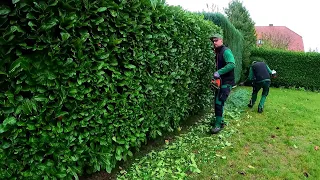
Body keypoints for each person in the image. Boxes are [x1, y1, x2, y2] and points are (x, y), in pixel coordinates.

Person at [210, 33, 236, 134]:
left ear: (221, 40)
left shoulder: (226, 51)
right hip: (220, 82)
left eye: (216, 40)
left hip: (227, 82)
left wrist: (218, 72)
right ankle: (219, 121)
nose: (214, 42)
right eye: (213, 41)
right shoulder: (217, 52)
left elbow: (231, 64)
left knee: (219, 102)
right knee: (217, 102)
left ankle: (218, 125)